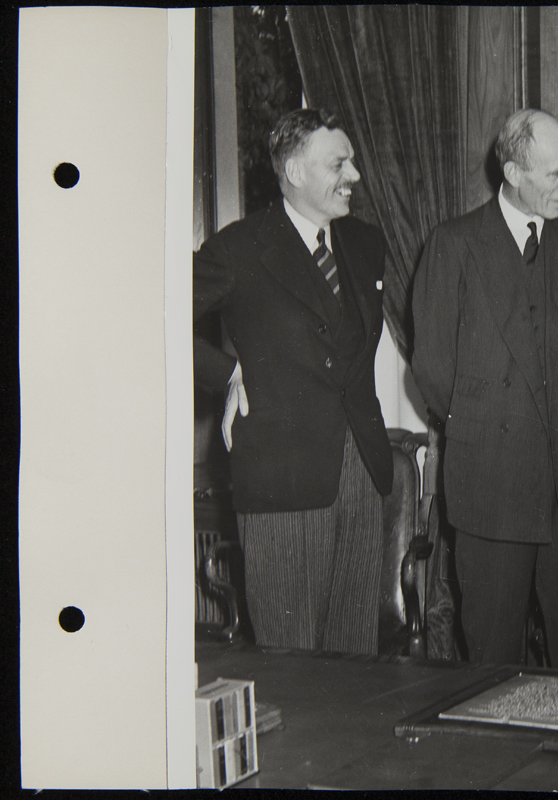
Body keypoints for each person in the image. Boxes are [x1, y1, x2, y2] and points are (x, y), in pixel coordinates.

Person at [410, 109, 558, 671]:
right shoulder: (454, 244)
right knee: (494, 662)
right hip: (493, 486)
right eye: (554, 175)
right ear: (513, 172)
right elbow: (430, 364)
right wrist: (486, 425)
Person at [193, 108, 393, 655]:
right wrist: (227, 372)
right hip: (281, 479)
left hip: (360, 472)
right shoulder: (238, 249)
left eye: (351, 161)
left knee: (357, 660)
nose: (354, 175)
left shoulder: (366, 243)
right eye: (339, 163)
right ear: (295, 172)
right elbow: (152, 317)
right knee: (292, 660)